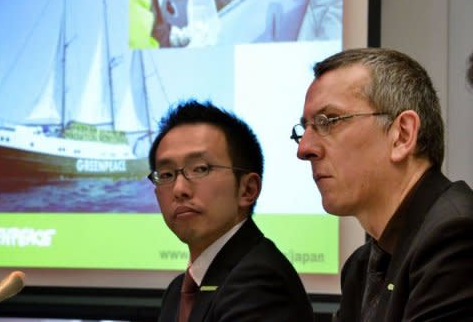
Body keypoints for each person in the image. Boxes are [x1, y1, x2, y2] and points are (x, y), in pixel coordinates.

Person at [292, 48, 473, 321]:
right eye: (303, 128)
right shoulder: (360, 266)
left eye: (327, 121)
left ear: (402, 135)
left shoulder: (455, 235)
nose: (304, 149)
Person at [149, 100, 313, 321]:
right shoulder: (176, 291)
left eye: (199, 169)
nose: (179, 189)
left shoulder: (258, 282)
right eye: (167, 175)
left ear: (248, 189)